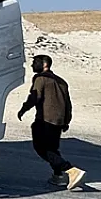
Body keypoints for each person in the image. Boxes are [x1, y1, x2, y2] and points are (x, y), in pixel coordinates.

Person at [17, 53, 86, 190]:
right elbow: (68, 103)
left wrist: (23, 109)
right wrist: (66, 121)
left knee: (41, 148)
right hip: (58, 121)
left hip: (45, 120)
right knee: (52, 149)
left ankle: (71, 170)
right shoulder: (62, 81)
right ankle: (58, 176)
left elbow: (35, 97)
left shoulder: (40, 78)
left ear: (45, 65)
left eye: (35, 62)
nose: (32, 65)